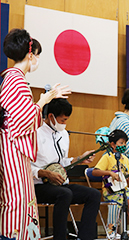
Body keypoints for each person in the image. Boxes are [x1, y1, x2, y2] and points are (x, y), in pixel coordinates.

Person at [0, 28, 70, 240]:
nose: (37, 60)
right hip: (13, 149)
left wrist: (42, 102)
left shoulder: (12, 79)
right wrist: (44, 100)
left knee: (19, 199)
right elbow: (22, 121)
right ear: (30, 55)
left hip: (12, 147)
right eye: (37, 55)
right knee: (15, 200)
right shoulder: (17, 80)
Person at [30, 98, 101, 240]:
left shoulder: (63, 135)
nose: (64, 124)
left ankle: (85, 237)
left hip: (61, 184)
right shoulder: (35, 134)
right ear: (51, 116)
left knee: (94, 194)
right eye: (62, 120)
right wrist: (45, 173)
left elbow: (63, 162)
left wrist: (80, 159)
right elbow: (25, 166)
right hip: (39, 186)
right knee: (65, 194)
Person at [92, 129, 129, 240]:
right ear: (112, 144)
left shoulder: (125, 159)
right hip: (111, 192)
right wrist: (109, 173)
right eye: (121, 143)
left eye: (125, 143)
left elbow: (127, 180)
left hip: (124, 190)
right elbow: (95, 171)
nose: (124, 145)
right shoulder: (107, 157)